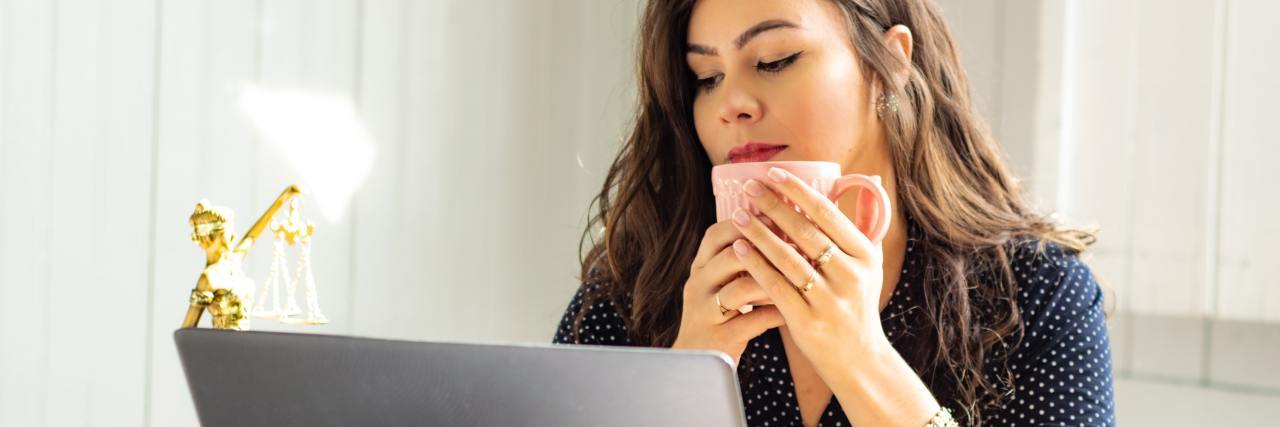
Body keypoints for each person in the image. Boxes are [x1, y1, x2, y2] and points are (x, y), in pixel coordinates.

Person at [553, 0, 1115, 425]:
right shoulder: (629, 294)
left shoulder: (1037, 297)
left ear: (889, 66)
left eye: (775, 60)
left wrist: (861, 358)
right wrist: (684, 380)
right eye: (707, 77)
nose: (731, 105)